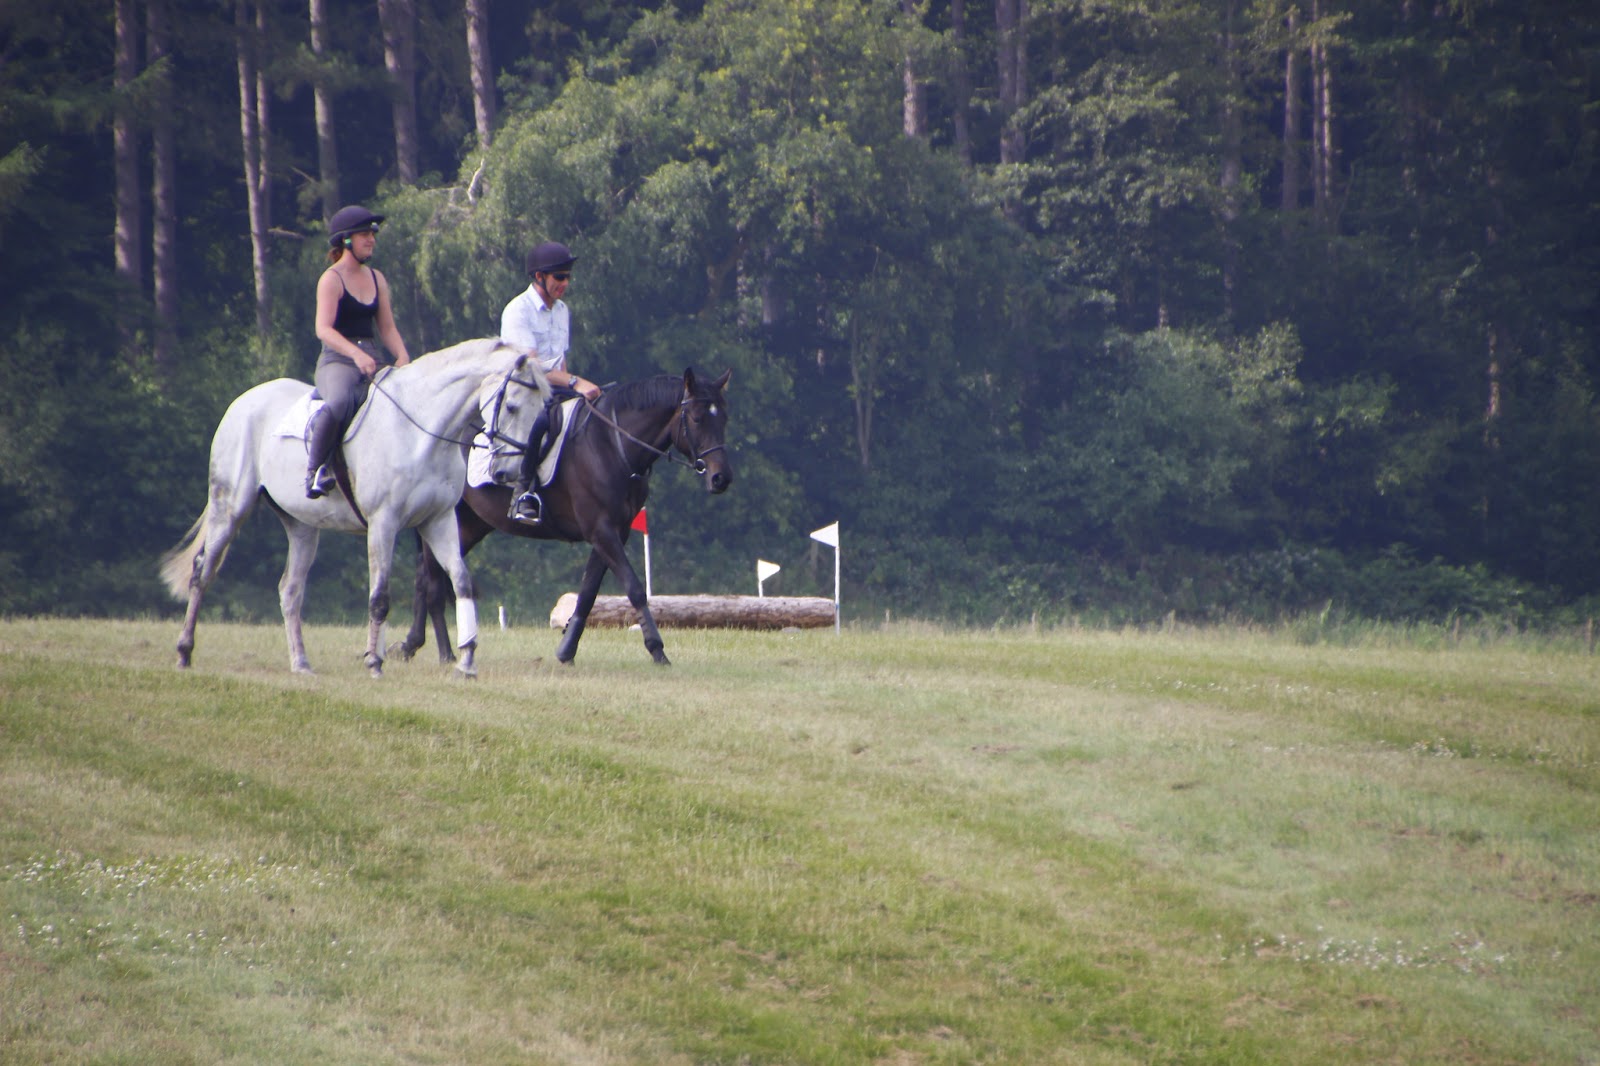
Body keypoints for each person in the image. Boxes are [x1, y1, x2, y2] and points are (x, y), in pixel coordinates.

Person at [305, 205, 413, 498]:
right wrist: (355, 354)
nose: (372, 240)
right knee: (339, 402)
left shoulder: (377, 278)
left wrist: (403, 357)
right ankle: (315, 470)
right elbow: (323, 329)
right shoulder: (331, 279)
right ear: (346, 240)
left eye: (372, 234)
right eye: (365, 234)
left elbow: (387, 328)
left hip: (372, 358)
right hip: (337, 359)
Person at [500, 240, 601, 524]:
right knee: (543, 421)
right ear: (539, 277)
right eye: (559, 277)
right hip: (524, 390)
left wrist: (575, 390)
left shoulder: (562, 310)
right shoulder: (518, 311)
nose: (565, 283)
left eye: (568, 277)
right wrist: (574, 382)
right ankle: (522, 494)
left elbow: (560, 360)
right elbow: (532, 368)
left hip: (557, 387)